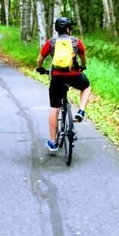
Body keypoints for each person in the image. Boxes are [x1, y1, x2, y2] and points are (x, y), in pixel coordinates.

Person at [35, 17, 91, 153]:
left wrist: (39, 68)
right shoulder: (77, 42)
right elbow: (83, 58)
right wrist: (83, 67)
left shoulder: (51, 42)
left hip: (56, 77)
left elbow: (40, 58)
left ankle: (53, 143)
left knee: (55, 108)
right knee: (86, 86)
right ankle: (81, 110)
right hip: (74, 76)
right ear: (68, 29)